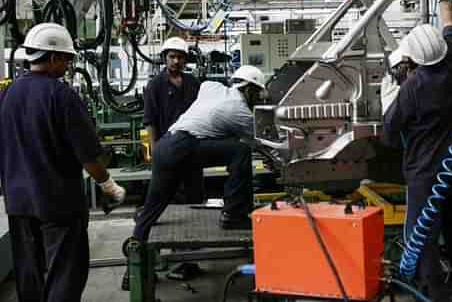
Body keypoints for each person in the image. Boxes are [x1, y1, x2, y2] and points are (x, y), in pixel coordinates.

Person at [0, 23, 126, 302]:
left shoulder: (8, 94)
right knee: (65, 273)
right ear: (54, 57)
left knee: (29, 272)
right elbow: (88, 154)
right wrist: (109, 185)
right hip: (57, 202)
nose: (68, 66)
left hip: (19, 202)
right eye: (67, 59)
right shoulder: (61, 95)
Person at [382, 0, 452, 302]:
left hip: (425, 176)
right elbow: (448, 18)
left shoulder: (412, 89)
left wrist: (389, 93)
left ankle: (434, 296)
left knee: (423, 242)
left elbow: (389, 133)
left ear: (415, 61)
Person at [131, 65, 266, 243]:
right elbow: (261, 142)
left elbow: (208, 96)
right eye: (257, 95)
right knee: (240, 151)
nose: (257, 101)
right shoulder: (239, 110)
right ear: (248, 89)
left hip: (166, 146)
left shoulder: (212, 87)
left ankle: (137, 246)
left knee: (153, 205)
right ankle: (234, 215)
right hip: (182, 148)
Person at [143, 36, 201, 201]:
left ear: (186, 60)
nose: (176, 61)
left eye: (180, 57)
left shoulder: (193, 83)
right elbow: (150, 120)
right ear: (164, 58)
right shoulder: (155, 85)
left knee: (194, 191)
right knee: (168, 193)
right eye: (172, 57)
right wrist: (155, 151)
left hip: (192, 146)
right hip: (167, 147)